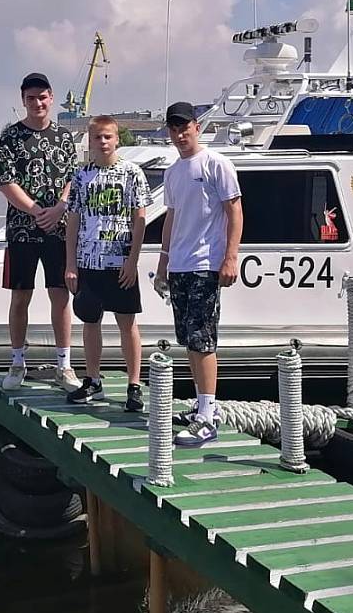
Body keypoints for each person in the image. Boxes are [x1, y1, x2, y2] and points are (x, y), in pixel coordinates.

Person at [153, 101, 242, 447]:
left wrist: (230, 258)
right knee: (189, 339)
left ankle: (207, 417)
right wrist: (163, 263)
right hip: (179, 265)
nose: (179, 135)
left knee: (203, 340)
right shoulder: (173, 172)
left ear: (196, 127)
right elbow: (171, 218)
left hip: (206, 264)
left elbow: (234, 211)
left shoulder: (216, 164)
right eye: (174, 129)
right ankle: (202, 406)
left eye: (184, 128)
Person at [0, 72, 79, 392]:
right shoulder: (10, 137)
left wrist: (59, 208)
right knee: (20, 297)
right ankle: (17, 362)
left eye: (42, 97)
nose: (37, 103)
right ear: (23, 100)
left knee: (60, 295)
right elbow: (6, 182)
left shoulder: (64, 137)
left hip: (59, 229)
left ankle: (64, 365)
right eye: (31, 98)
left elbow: (73, 179)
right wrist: (36, 210)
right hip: (22, 231)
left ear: (51, 98)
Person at [63, 115, 151, 411]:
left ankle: (134, 385)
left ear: (117, 139)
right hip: (89, 261)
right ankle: (92, 380)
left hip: (120, 262)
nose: (103, 142)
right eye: (97, 137)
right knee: (90, 322)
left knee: (127, 322)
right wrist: (70, 264)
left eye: (108, 136)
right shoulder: (81, 176)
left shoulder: (132, 173)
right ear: (90, 141)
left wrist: (132, 260)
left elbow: (140, 219)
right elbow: (73, 221)